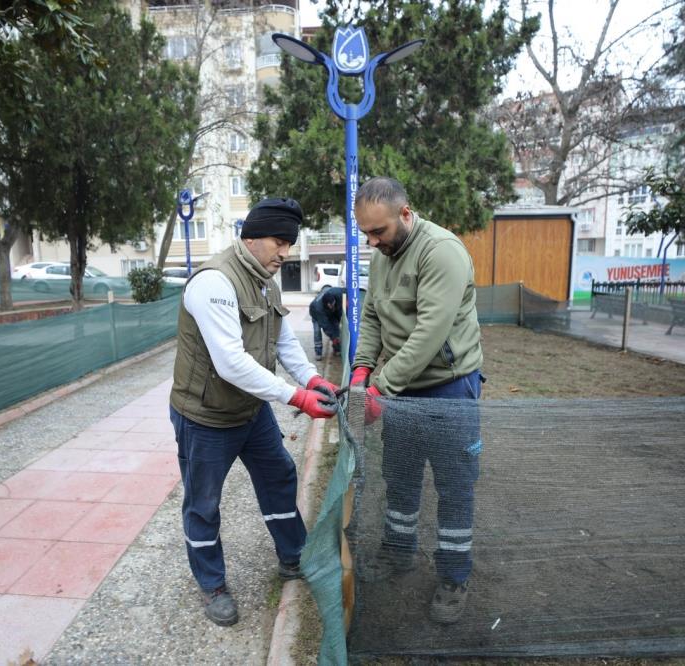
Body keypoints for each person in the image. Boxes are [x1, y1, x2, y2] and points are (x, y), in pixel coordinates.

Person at [170, 197, 340, 627]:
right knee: (203, 503)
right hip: (205, 416)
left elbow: (282, 344)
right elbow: (230, 362)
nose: (285, 253)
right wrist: (296, 398)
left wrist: (312, 379)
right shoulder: (213, 282)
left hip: (250, 411)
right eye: (278, 242)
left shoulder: (266, 280)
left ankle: (293, 556)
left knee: (279, 477)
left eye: (290, 243)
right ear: (250, 237)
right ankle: (212, 585)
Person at [349, 176, 484, 625]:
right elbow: (371, 317)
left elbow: (430, 334)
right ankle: (399, 553)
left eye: (379, 231)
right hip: (400, 388)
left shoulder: (441, 251)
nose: (372, 241)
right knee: (400, 476)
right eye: (365, 233)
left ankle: (453, 576)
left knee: (454, 485)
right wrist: (361, 371)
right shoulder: (382, 257)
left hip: (449, 387)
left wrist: (379, 389)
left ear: (405, 214)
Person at [308, 286, 345, 358]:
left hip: (328, 312)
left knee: (336, 327)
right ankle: (318, 352)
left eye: (333, 304)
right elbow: (326, 326)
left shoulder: (336, 293)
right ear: (327, 304)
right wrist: (333, 337)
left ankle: (336, 349)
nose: (332, 306)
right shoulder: (317, 309)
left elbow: (347, 291)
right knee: (317, 331)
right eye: (331, 305)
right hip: (316, 314)